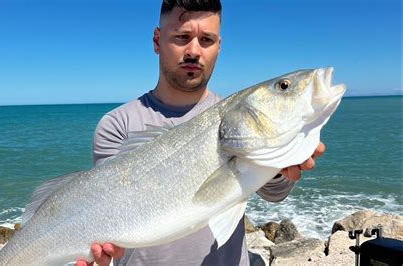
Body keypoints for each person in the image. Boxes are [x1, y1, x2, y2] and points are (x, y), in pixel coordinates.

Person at [77, 0, 325, 265]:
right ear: (157, 40)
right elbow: (106, 212)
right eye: (182, 37)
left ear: (219, 47)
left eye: (206, 39)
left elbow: (275, 194)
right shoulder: (117, 124)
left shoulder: (236, 117)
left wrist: (277, 166)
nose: (194, 51)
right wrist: (99, 250)